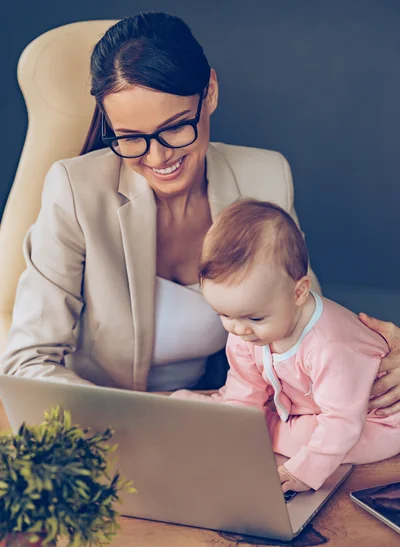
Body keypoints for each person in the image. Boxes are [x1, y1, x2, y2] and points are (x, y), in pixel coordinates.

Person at [0, 13, 399, 414]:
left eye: (174, 127)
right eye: (131, 138)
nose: (158, 157)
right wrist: (133, 424)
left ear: (209, 92)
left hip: (212, 413)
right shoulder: (74, 191)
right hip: (95, 422)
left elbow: (303, 328)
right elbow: (26, 363)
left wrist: (375, 353)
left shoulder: (265, 176)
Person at [172, 199, 400, 492]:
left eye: (255, 317)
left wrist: (305, 472)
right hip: (304, 406)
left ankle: (255, 426)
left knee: (305, 436)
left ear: (299, 292)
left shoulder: (330, 345)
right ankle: (228, 417)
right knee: (242, 405)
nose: (238, 328)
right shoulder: (247, 328)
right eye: (224, 314)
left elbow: (342, 422)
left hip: (374, 418)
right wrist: (231, 428)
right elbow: (246, 385)